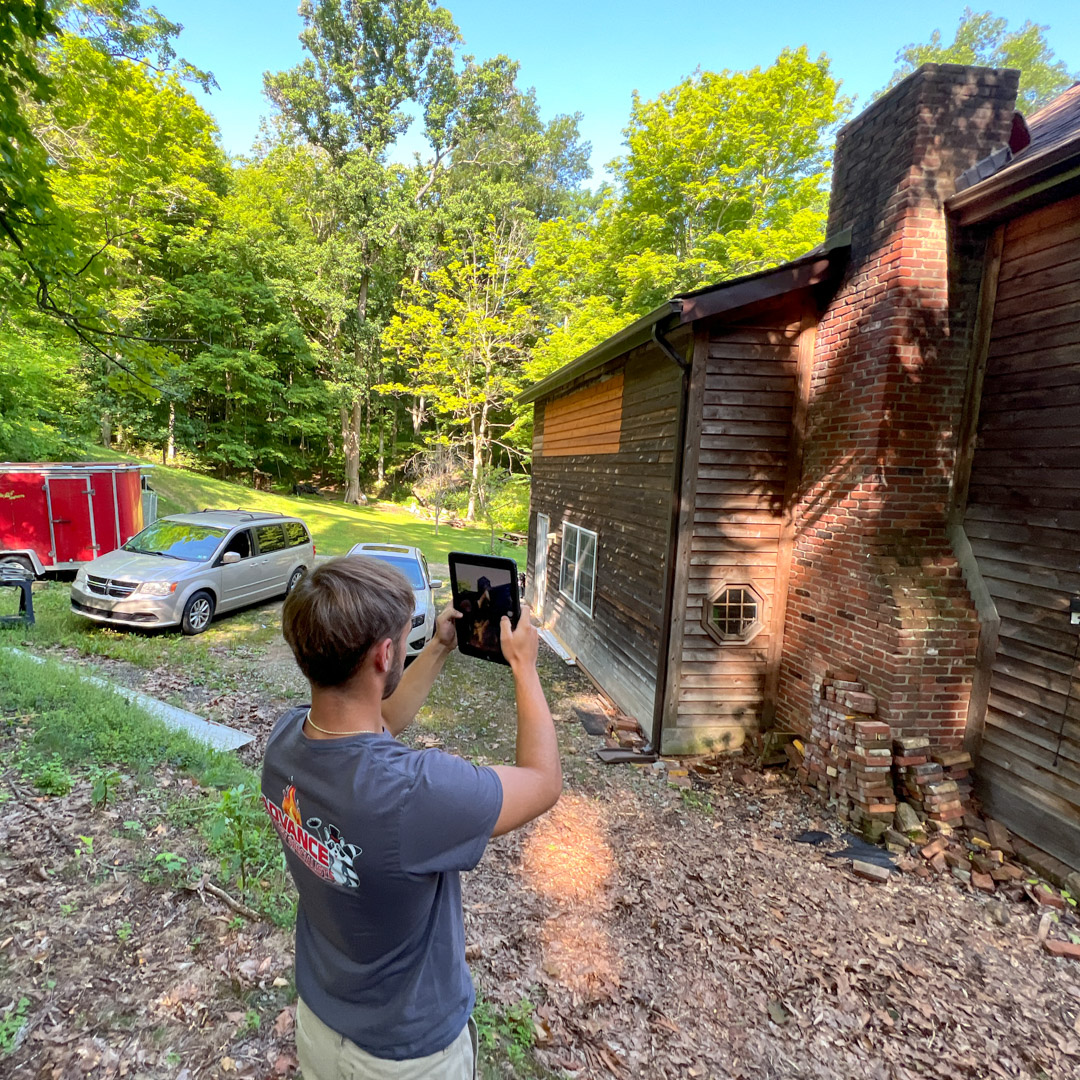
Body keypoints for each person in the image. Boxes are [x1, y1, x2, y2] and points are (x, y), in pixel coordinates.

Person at [260, 555, 561, 1079]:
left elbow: (373, 721)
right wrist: (525, 667)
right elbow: (542, 781)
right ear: (384, 655)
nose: (407, 642)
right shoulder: (414, 792)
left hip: (320, 1023)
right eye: (406, 636)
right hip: (405, 1057)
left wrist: (439, 646)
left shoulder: (284, 743)